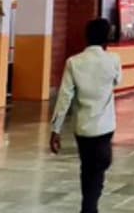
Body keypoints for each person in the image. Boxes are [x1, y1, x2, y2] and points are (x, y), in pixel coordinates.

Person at [50, 18, 123, 213]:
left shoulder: (74, 62)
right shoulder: (113, 60)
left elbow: (64, 97)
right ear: (106, 38)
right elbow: (118, 81)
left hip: (83, 127)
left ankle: (89, 205)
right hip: (105, 126)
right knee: (99, 166)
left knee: (88, 166)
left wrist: (55, 130)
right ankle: (90, 206)